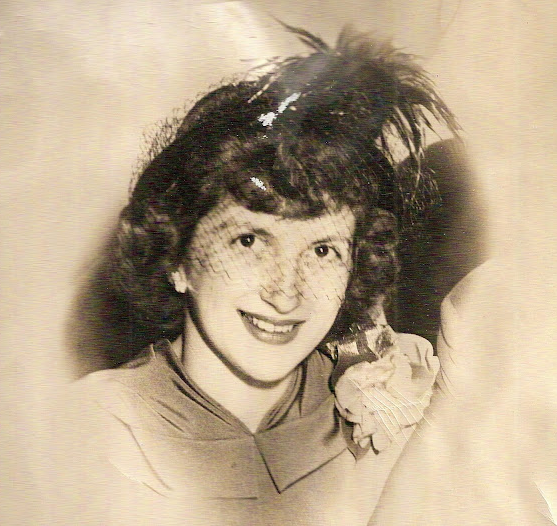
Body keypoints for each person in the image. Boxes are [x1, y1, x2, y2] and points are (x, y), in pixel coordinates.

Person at [66, 25, 458, 525]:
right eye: (249, 241)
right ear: (178, 257)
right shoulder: (93, 431)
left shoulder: (390, 406)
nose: (285, 292)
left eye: (323, 250)